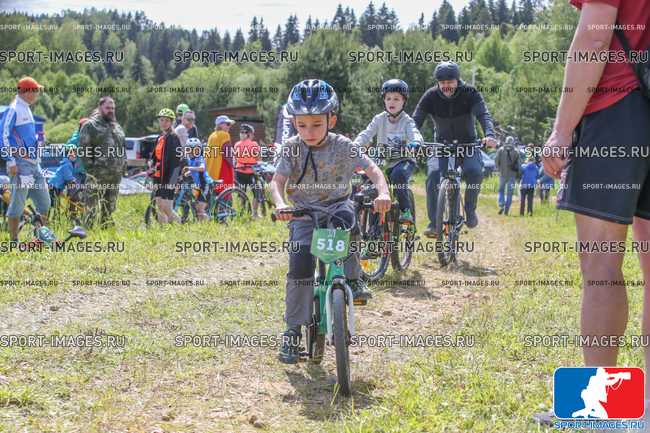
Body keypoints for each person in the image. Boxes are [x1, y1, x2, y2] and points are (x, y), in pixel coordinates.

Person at [534, 0, 650, 427]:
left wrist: (561, 131)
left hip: (618, 109)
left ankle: (601, 408)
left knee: (602, 265)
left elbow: (594, 38)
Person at [270, 79, 391, 364]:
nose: (308, 132)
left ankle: (353, 278)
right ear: (294, 123)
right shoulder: (291, 148)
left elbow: (373, 170)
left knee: (350, 221)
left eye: (316, 124)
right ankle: (292, 331)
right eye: (301, 125)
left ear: (331, 120)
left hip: (336, 207)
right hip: (303, 213)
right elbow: (277, 181)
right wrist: (280, 203)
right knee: (299, 268)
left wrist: (383, 192)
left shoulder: (343, 146)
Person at [413, 62, 497, 237]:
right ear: (437, 82)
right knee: (433, 175)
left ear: (457, 80)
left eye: (450, 82)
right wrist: (412, 139)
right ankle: (434, 224)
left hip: (468, 144)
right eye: (442, 82)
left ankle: (470, 209)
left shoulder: (470, 93)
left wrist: (490, 134)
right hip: (442, 145)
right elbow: (416, 120)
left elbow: (483, 115)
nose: (446, 86)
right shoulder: (430, 96)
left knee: (475, 171)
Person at [353, 79, 423, 224]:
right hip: (382, 159)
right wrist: (354, 145)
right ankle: (369, 221)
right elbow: (366, 134)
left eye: (396, 99)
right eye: (388, 98)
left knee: (398, 176)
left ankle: (405, 211)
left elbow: (415, 133)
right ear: (384, 100)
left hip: (403, 160)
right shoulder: (379, 119)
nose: (392, 102)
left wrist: (416, 143)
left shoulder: (407, 121)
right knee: (367, 180)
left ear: (404, 101)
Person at [0, 76, 50, 242]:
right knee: (17, 204)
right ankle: (14, 241)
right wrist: (10, 160)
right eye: (35, 91)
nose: (37, 94)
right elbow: (3, 136)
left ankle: (40, 238)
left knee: (44, 203)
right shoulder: (14, 109)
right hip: (21, 165)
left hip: (34, 165)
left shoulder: (26, 108)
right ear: (27, 92)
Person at [78, 96, 126, 229]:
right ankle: (86, 234)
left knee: (109, 209)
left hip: (115, 176)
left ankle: (105, 233)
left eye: (113, 108)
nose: (111, 110)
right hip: (97, 176)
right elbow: (84, 150)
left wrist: (123, 166)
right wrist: (91, 171)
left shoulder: (117, 126)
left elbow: (122, 148)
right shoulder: (90, 125)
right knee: (90, 210)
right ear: (100, 108)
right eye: (107, 108)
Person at [151, 108, 182, 224]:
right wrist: (151, 164)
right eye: (162, 120)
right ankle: (163, 230)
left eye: (167, 121)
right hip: (158, 175)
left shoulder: (173, 137)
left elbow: (177, 161)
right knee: (159, 205)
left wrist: (174, 180)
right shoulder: (160, 137)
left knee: (166, 207)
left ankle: (180, 226)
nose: (164, 123)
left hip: (169, 176)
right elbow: (155, 156)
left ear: (172, 122)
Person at [234, 123, 262, 217]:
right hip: (251, 173)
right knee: (256, 192)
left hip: (239, 172)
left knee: (241, 193)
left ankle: (241, 213)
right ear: (249, 134)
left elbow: (236, 158)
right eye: (252, 134)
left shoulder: (237, 144)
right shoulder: (254, 144)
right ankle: (254, 213)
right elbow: (258, 159)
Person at [182, 137, 210, 221]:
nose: (191, 151)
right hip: (197, 186)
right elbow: (195, 171)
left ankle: (210, 221)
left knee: (200, 210)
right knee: (195, 206)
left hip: (205, 185)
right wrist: (188, 173)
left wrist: (190, 168)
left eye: (194, 149)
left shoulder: (199, 158)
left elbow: (202, 168)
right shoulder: (190, 159)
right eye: (189, 149)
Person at [206, 115, 236, 193]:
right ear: (220, 124)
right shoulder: (224, 135)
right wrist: (233, 165)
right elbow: (228, 153)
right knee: (225, 191)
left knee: (214, 192)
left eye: (230, 125)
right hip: (223, 167)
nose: (229, 127)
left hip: (211, 168)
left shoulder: (211, 136)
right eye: (228, 124)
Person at [494, 136, 521, 215]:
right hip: (512, 175)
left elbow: (496, 161)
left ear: (506, 141)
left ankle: (501, 204)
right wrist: (518, 175)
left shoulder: (501, 150)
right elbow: (519, 164)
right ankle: (507, 209)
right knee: (510, 193)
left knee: (501, 190)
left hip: (502, 174)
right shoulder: (516, 151)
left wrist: (499, 169)